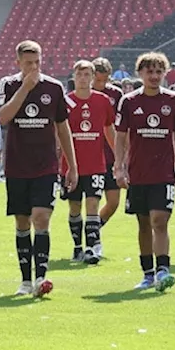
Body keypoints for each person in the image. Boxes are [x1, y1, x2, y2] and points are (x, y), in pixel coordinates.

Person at [0, 40, 77, 298]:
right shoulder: (8, 85)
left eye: (37, 62)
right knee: (22, 222)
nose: (33, 67)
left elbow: (63, 128)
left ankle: (42, 276)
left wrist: (72, 166)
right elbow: (2, 117)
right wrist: (24, 88)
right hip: (17, 164)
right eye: (28, 63)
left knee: (41, 217)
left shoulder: (53, 88)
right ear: (18, 62)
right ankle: (25, 280)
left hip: (46, 166)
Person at [114, 53, 175, 292]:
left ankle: (163, 269)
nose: (154, 76)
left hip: (163, 173)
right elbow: (121, 137)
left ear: (164, 73)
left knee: (160, 220)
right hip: (138, 173)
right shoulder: (129, 101)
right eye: (149, 72)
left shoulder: (173, 100)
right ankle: (147, 274)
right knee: (143, 223)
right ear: (140, 74)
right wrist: (119, 166)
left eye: (158, 72)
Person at [62, 60, 116, 265]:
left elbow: (108, 128)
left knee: (93, 203)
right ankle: (77, 246)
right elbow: (59, 130)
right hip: (70, 165)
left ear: (93, 78)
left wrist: (118, 156)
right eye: (80, 75)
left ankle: (91, 248)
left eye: (87, 75)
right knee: (74, 207)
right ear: (74, 77)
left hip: (96, 164)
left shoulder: (103, 101)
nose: (83, 79)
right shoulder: (66, 102)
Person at [92, 58, 127, 239]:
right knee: (90, 201)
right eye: (98, 80)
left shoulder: (116, 94)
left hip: (112, 155)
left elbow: (122, 126)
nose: (102, 84)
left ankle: (92, 230)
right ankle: (89, 240)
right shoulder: (82, 94)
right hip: (89, 155)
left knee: (113, 203)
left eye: (105, 80)